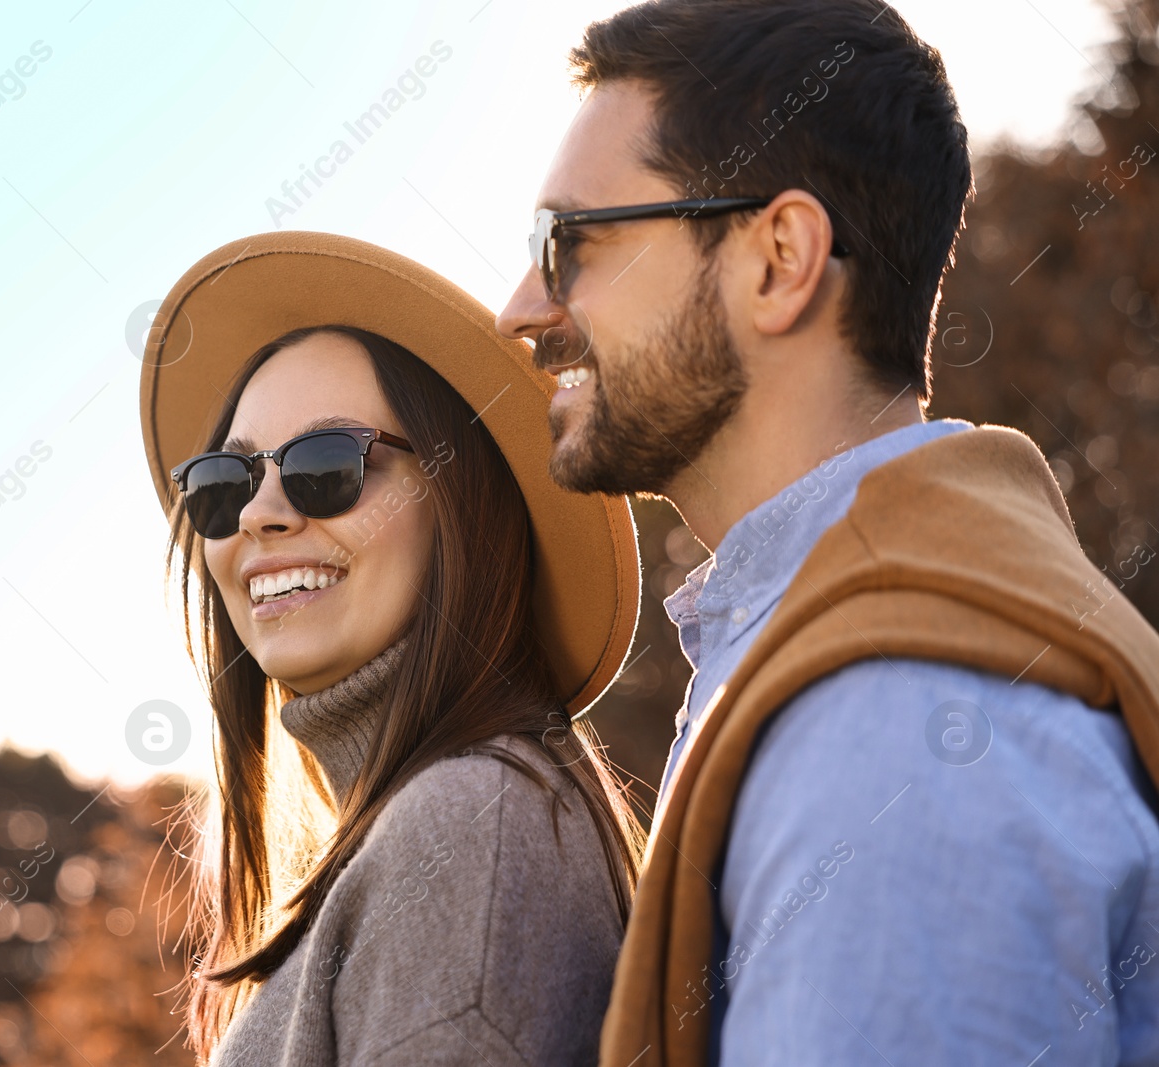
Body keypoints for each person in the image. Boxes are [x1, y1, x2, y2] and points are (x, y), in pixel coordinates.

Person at [495, 1, 1159, 1064]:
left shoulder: (888, 724)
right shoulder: (844, 650)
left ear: (778, 258)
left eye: (567, 243)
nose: (519, 307)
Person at [137, 232, 647, 1065]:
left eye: (328, 465)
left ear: (462, 501)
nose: (261, 513)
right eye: (224, 484)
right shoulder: (428, 828)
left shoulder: (468, 825)